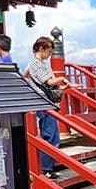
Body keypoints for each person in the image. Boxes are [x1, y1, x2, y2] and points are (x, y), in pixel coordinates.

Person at [23, 36, 68, 175]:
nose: (50, 54)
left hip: (42, 99)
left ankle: (47, 167)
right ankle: (45, 168)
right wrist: (62, 79)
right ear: (42, 49)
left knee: (50, 133)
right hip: (44, 100)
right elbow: (49, 82)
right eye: (49, 51)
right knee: (50, 134)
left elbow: (25, 76)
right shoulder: (38, 64)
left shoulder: (33, 64)